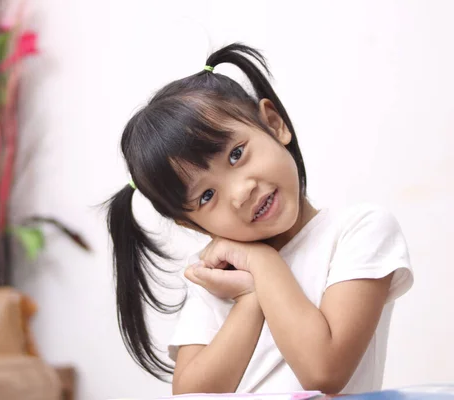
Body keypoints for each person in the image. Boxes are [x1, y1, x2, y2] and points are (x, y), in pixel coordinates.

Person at [106, 43, 413, 395]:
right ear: (192, 225)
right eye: (207, 196)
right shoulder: (216, 274)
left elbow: (325, 369)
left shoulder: (358, 231)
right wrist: (250, 298)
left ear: (274, 124)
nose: (240, 193)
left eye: (236, 154)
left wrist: (262, 262)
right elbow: (191, 393)